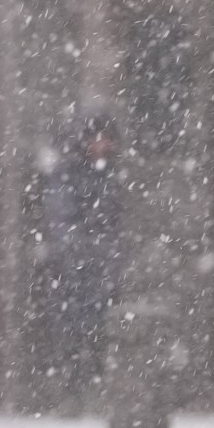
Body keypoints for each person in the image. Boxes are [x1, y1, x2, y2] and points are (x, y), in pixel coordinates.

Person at [35, 112, 125, 407]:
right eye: (98, 138)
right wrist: (80, 247)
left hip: (99, 264)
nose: (103, 144)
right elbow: (60, 217)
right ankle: (74, 390)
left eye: (106, 139)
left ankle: (92, 387)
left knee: (98, 327)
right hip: (76, 265)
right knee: (73, 326)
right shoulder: (72, 173)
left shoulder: (107, 174)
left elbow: (114, 220)